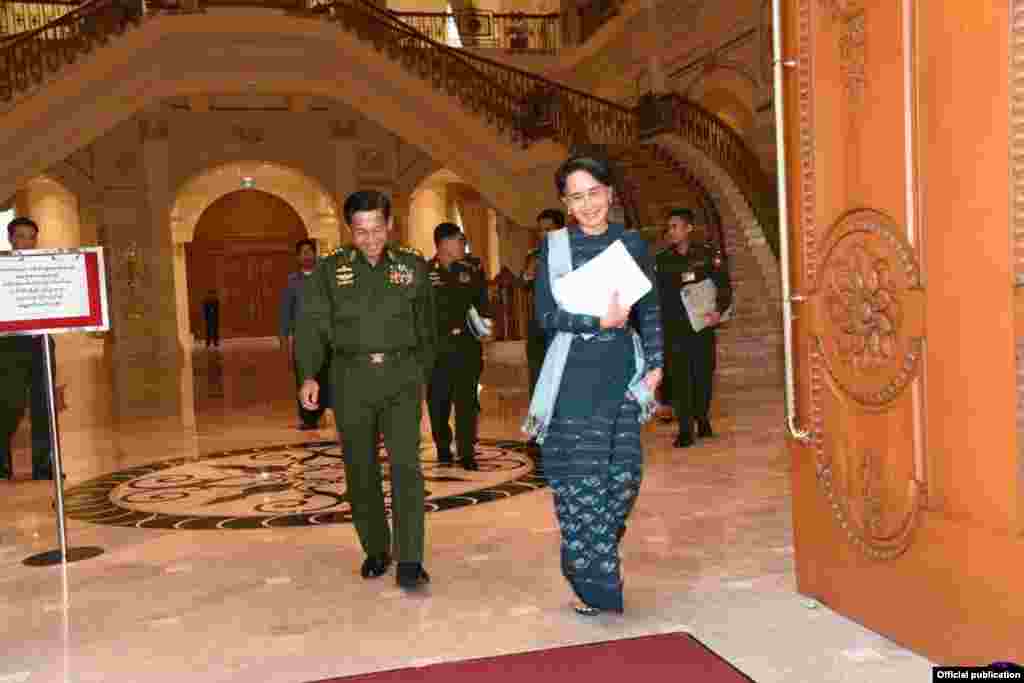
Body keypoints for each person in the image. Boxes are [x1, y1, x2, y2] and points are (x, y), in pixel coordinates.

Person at [525, 156, 663, 615]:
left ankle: (583, 549)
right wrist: (594, 320)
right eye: (575, 197)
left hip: (622, 375)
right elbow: (545, 316)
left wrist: (657, 364)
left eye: (594, 194)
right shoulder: (555, 247)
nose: (587, 205)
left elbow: (652, 310)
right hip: (573, 378)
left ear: (610, 193)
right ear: (565, 202)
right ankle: (593, 580)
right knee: (584, 482)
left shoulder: (631, 243)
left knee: (623, 480)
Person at [296, 190, 437, 590]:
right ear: (349, 230)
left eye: (377, 229)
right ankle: (376, 548)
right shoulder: (331, 270)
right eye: (360, 231)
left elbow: (427, 325)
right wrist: (309, 375)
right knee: (360, 468)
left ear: (390, 226)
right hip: (350, 378)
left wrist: (421, 375)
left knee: (407, 466)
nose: (370, 238)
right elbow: (313, 325)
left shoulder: (411, 266)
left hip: (401, 376)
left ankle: (410, 558)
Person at [655, 208, 732, 448]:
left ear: (689, 228)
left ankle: (701, 416)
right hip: (675, 329)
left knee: (703, 375)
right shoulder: (662, 260)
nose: (671, 232)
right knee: (680, 378)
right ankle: (685, 428)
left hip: (701, 327)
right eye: (669, 228)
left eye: (675, 226)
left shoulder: (707, 255)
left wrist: (718, 311)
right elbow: (657, 296)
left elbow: (724, 287)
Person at [426, 222, 491, 471]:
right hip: (437, 350)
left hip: (466, 347)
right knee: (438, 402)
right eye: (459, 240)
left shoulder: (472, 270)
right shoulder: (424, 272)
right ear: (444, 244)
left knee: (466, 402)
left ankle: (466, 452)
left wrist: (484, 332)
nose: (463, 244)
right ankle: (443, 446)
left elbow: (483, 306)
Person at [0, 217, 56, 481]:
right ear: (11, 239)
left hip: (40, 341)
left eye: (31, 237)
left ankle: (44, 467)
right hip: (8, 345)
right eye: (21, 236)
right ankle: (1, 465)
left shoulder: (48, 268)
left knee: (44, 406)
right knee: (9, 405)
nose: (26, 242)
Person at [280, 238, 332, 430]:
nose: (307, 255)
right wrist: (284, 339)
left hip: (326, 337)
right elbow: (286, 312)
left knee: (325, 376)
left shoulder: (324, 278)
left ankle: (324, 410)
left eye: (310, 251)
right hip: (304, 341)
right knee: (305, 377)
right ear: (297, 257)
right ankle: (308, 418)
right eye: (303, 252)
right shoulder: (292, 282)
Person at [524, 209, 564, 399]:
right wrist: (528, 273)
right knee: (537, 371)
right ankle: (539, 416)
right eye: (540, 230)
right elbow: (524, 284)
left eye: (549, 229)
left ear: (560, 230)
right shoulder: (534, 256)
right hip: (538, 324)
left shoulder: (571, 254)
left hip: (562, 323)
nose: (544, 234)